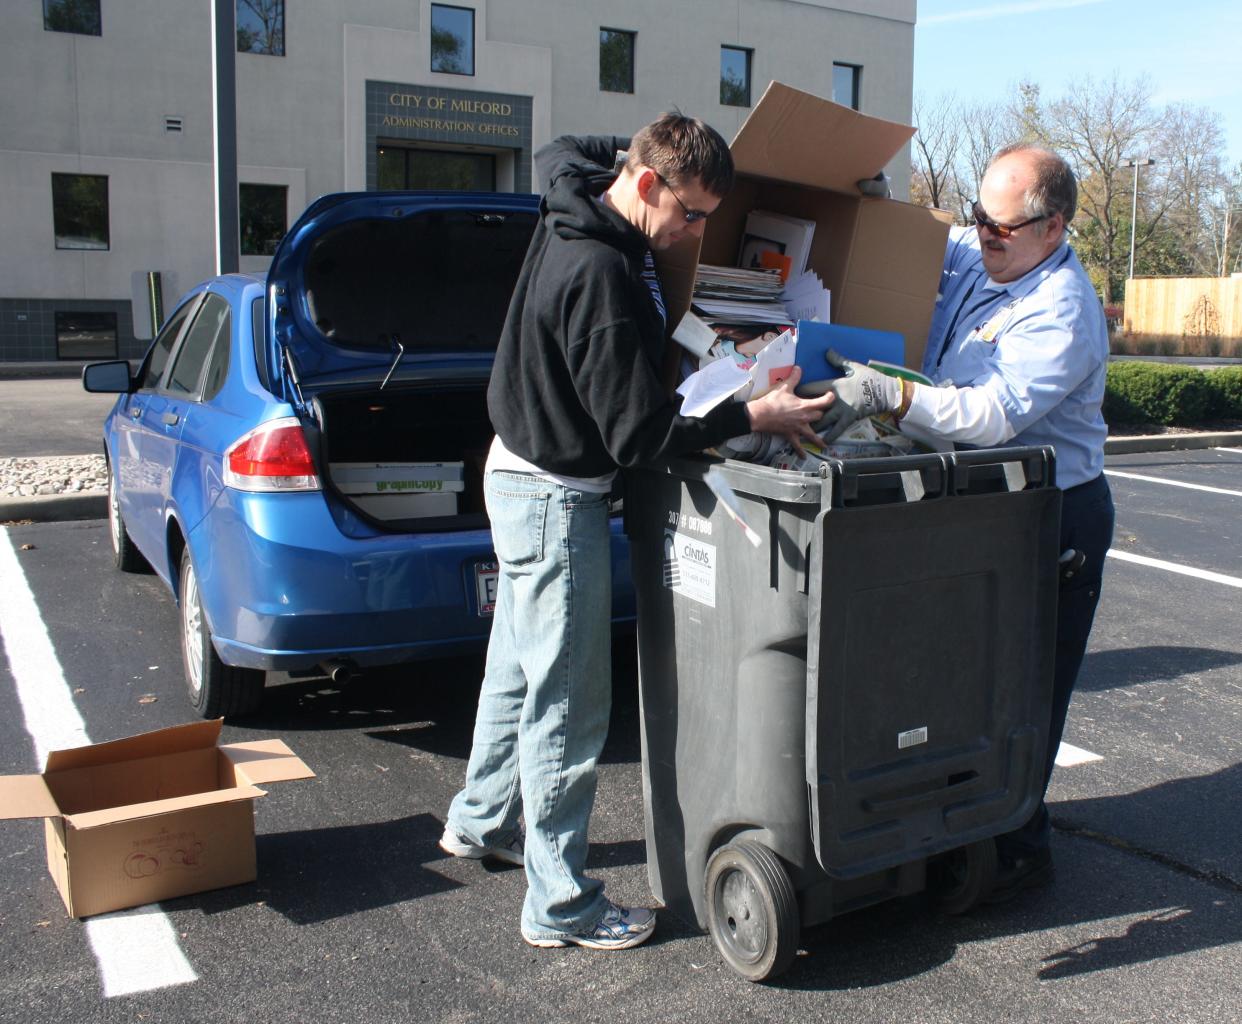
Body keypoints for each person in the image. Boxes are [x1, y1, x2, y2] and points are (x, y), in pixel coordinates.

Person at [439, 113, 835, 951]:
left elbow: (567, 145)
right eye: (690, 213)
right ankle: (560, 904)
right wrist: (750, 411)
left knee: (517, 665)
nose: (695, 233)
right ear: (649, 185)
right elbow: (638, 437)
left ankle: (480, 818)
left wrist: (641, 140)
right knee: (569, 704)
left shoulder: (571, 191)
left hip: (514, 468)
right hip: (556, 497)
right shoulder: (603, 279)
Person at [813, 143, 1115, 902]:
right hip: (975, 503)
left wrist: (895, 398)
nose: (982, 235)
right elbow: (922, 244)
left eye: (1001, 228)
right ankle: (962, 825)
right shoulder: (986, 252)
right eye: (979, 217)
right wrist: (874, 205)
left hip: (1051, 516)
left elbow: (987, 416)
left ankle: (1016, 846)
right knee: (960, 685)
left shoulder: (1062, 310)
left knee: (1027, 688)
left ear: (1054, 228)